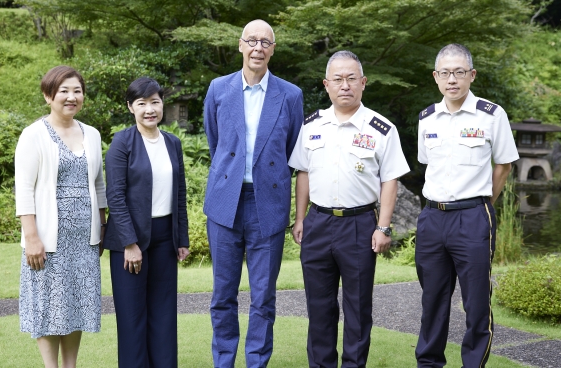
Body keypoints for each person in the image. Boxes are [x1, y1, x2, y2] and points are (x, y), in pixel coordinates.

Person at [289, 50, 410, 367]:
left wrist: (383, 227)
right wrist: (299, 218)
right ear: (326, 85)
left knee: (358, 307)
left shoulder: (381, 129)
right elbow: (303, 173)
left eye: (351, 78)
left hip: (359, 226)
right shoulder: (311, 126)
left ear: (363, 83)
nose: (345, 85)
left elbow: (390, 180)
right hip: (317, 222)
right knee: (319, 306)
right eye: (338, 79)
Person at [203, 19, 304, 367]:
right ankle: (224, 361)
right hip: (224, 203)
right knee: (222, 295)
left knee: (263, 296)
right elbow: (216, 142)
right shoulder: (218, 89)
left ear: (273, 49)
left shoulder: (290, 95)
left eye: (266, 41)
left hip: (269, 204)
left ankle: (257, 362)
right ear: (241, 45)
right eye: (252, 40)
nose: (258, 47)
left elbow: (292, 151)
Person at [415, 44, 519, 367]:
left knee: (475, 303)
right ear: (435, 77)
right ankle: (429, 363)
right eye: (445, 73)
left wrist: (484, 203)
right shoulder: (427, 118)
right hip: (432, 218)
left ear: (471, 75)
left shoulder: (491, 115)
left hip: (473, 217)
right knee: (432, 300)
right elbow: (425, 164)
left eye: (459, 72)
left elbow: (503, 165)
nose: (452, 79)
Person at [15, 65, 107, 368]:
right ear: (48, 95)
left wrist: (102, 226)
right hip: (47, 238)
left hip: (84, 239)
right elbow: (24, 189)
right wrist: (31, 238)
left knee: (76, 304)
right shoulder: (33, 135)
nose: (71, 97)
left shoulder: (91, 134)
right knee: (48, 306)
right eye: (64, 91)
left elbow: (99, 183)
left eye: (77, 91)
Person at [104, 77, 189, 368]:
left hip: (166, 238)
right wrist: (130, 243)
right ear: (131, 107)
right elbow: (114, 195)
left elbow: (180, 193)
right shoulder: (122, 142)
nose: (149, 109)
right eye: (142, 103)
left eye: (155, 102)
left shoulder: (172, 143)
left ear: (162, 104)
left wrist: (182, 240)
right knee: (132, 318)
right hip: (131, 241)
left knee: (164, 315)